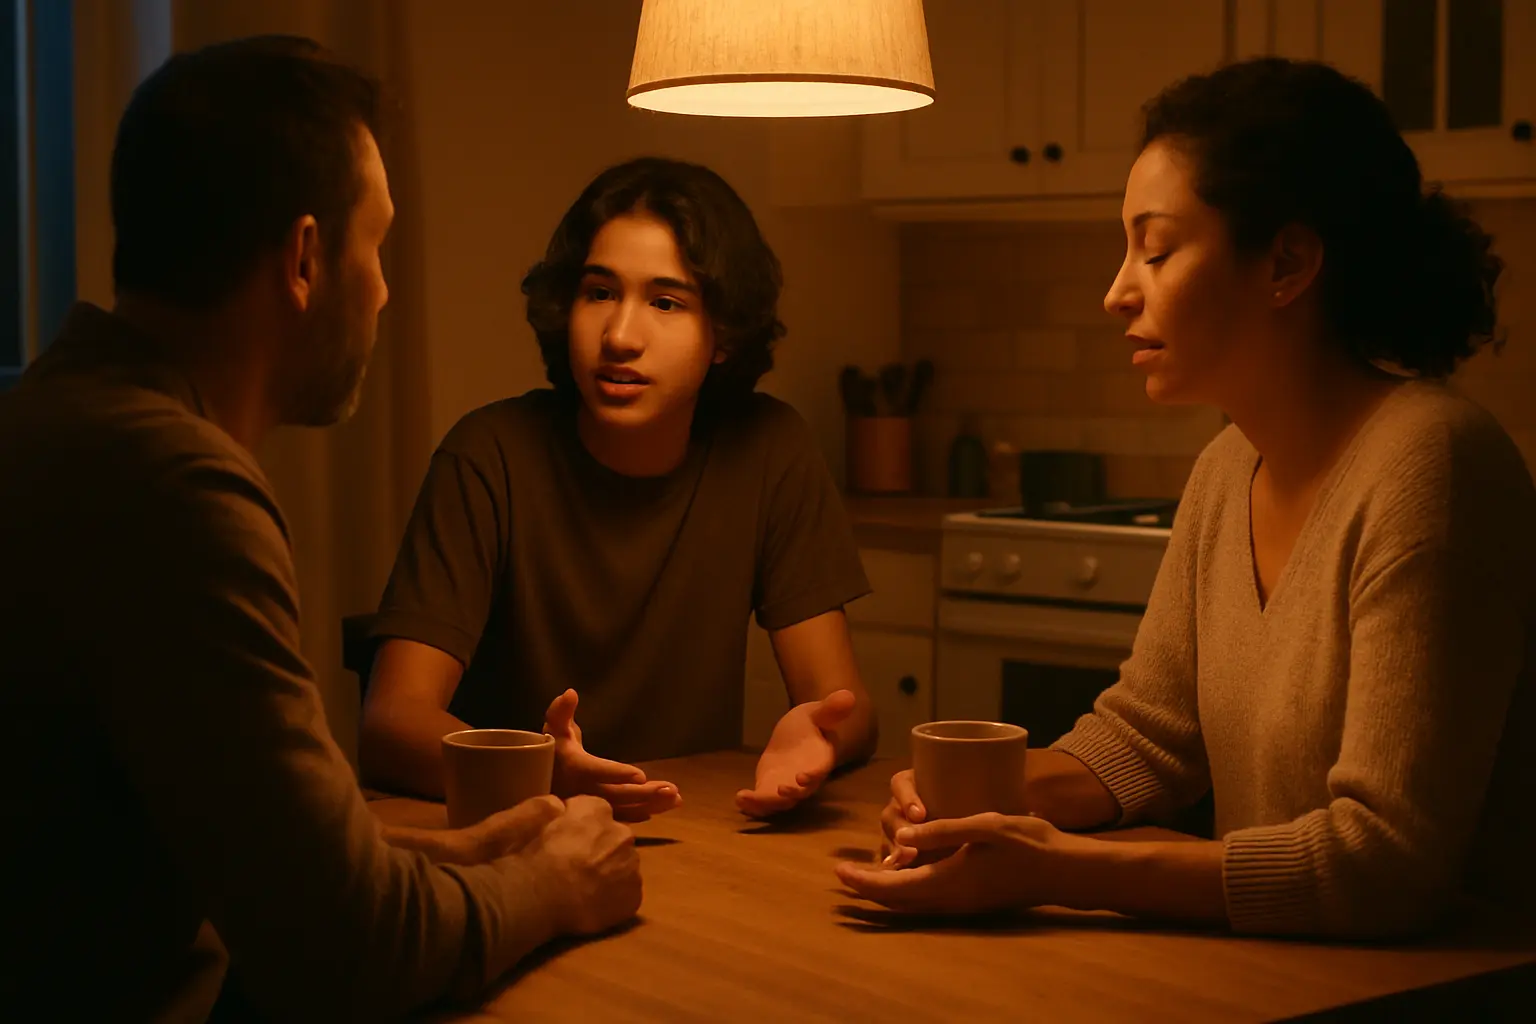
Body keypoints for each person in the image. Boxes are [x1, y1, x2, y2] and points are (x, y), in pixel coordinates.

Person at [0, 36, 640, 1022]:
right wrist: (552, 883)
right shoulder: (177, 489)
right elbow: (348, 949)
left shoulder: (57, 420)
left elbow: (241, 846)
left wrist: (448, 856)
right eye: (375, 246)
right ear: (305, 259)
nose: (382, 288)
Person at [840, 57, 1536, 938]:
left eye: (1157, 250)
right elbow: (1149, 738)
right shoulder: (1226, 468)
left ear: (1286, 262)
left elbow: (1386, 863)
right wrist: (976, 799)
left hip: (1446, 983)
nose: (1117, 291)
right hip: (1279, 970)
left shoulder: (1433, 463)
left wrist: (1058, 869)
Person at [358, 157, 878, 821]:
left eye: (665, 302)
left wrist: (820, 736)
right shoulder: (490, 454)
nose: (620, 336)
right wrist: (542, 775)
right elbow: (392, 721)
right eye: (600, 292)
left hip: (692, 827)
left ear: (724, 334)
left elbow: (844, 704)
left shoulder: (769, 449)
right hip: (518, 832)